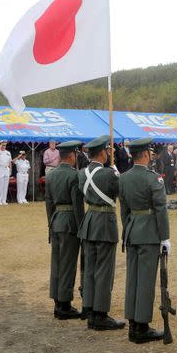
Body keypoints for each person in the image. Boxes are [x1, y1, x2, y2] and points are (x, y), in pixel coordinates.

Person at [119, 137, 170, 344]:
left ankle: (133, 321)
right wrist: (165, 237)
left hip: (132, 231)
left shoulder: (123, 178)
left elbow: (124, 210)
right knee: (146, 280)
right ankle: (141, 327)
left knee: (133, 278)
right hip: (149, 233)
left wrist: (127, 230)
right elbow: (160, 210)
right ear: (147, 155)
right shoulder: (153, 179)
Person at [76, 135, 125, 330]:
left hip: (89, 222)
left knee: (90, 269)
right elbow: (120, 190)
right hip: (104, 222)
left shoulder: (81, 174)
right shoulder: (109, 174)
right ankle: (101, 314)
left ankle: (89, 308)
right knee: (104, 270)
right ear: (103, 153)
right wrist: (116, 174)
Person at [45, 140, 84, 320]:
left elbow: (48, 203)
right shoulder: (74, 175)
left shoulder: (51, 175)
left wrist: (50, 225)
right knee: (68, 265)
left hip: (56, 221)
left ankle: (57, 301)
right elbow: (77, 205)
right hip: (70, 223)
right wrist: (82, 227)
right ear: (72, 156)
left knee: (57, 264)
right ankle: (64, 304)